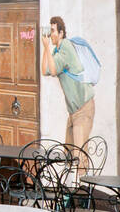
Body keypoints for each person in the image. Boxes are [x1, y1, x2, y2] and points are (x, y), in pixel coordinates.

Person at [41, 15, 95, 147]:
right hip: (74, 111)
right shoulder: (56, 51)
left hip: (82, 108)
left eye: (53, 31)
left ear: (61, 33)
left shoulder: (65, 47)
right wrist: (45, 49)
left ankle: (82, 167)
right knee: (70, 153)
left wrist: (47, 47)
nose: (51, 34)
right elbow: (45, 71)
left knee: (79, 153)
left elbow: (53, 70)